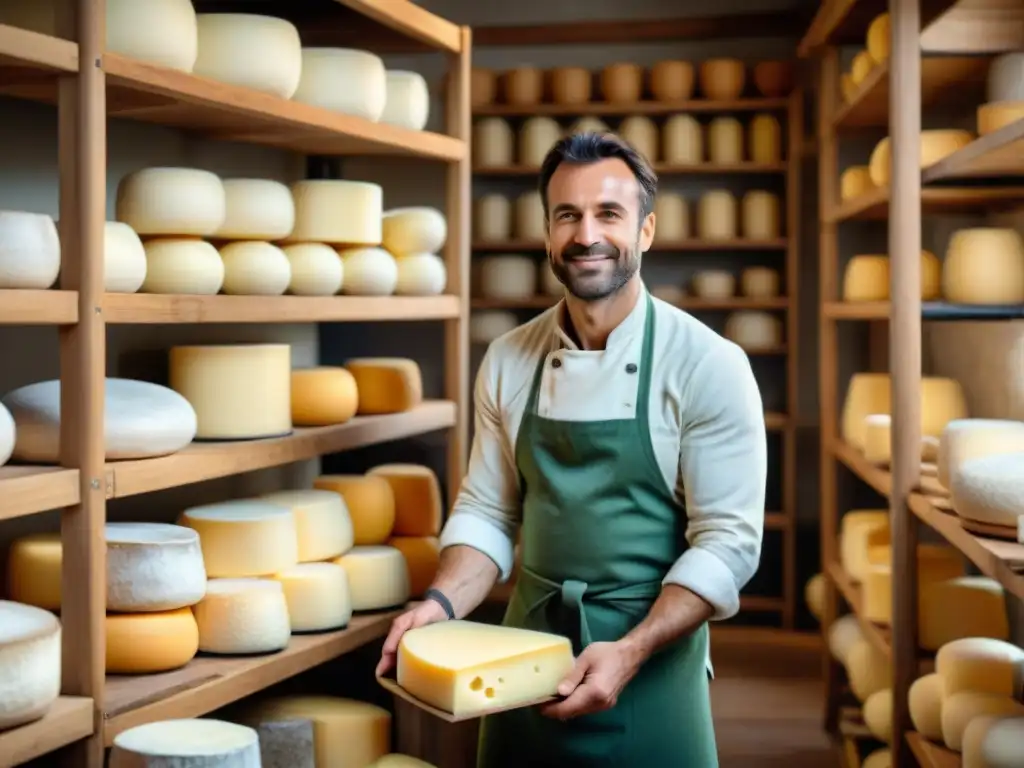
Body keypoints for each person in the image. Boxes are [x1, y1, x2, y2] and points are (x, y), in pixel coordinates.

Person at [376, 131, 767, 767]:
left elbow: (727, 545)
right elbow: (486, 512)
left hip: (651, 663)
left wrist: (632, 649)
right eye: (568, 215)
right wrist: (440, 605)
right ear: (548, 232)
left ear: (645, 230)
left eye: (609, 213)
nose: (587, 234)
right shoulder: (508, 358)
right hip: (521, 660)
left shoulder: (709, 365)